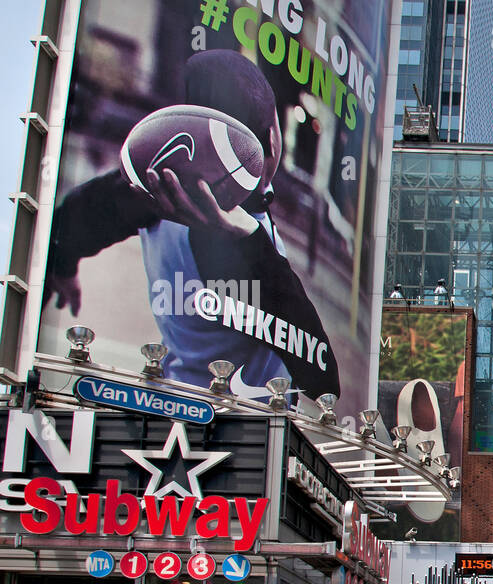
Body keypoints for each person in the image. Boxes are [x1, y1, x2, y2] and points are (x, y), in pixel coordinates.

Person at [44, 49, 340, 402]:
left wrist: (63, 265)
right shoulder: (242, 248)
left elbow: (78, 214)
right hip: (249, 422)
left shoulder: (153, 192)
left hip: (178, 396)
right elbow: (323, 380)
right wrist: (250, 239)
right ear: (272, 139)